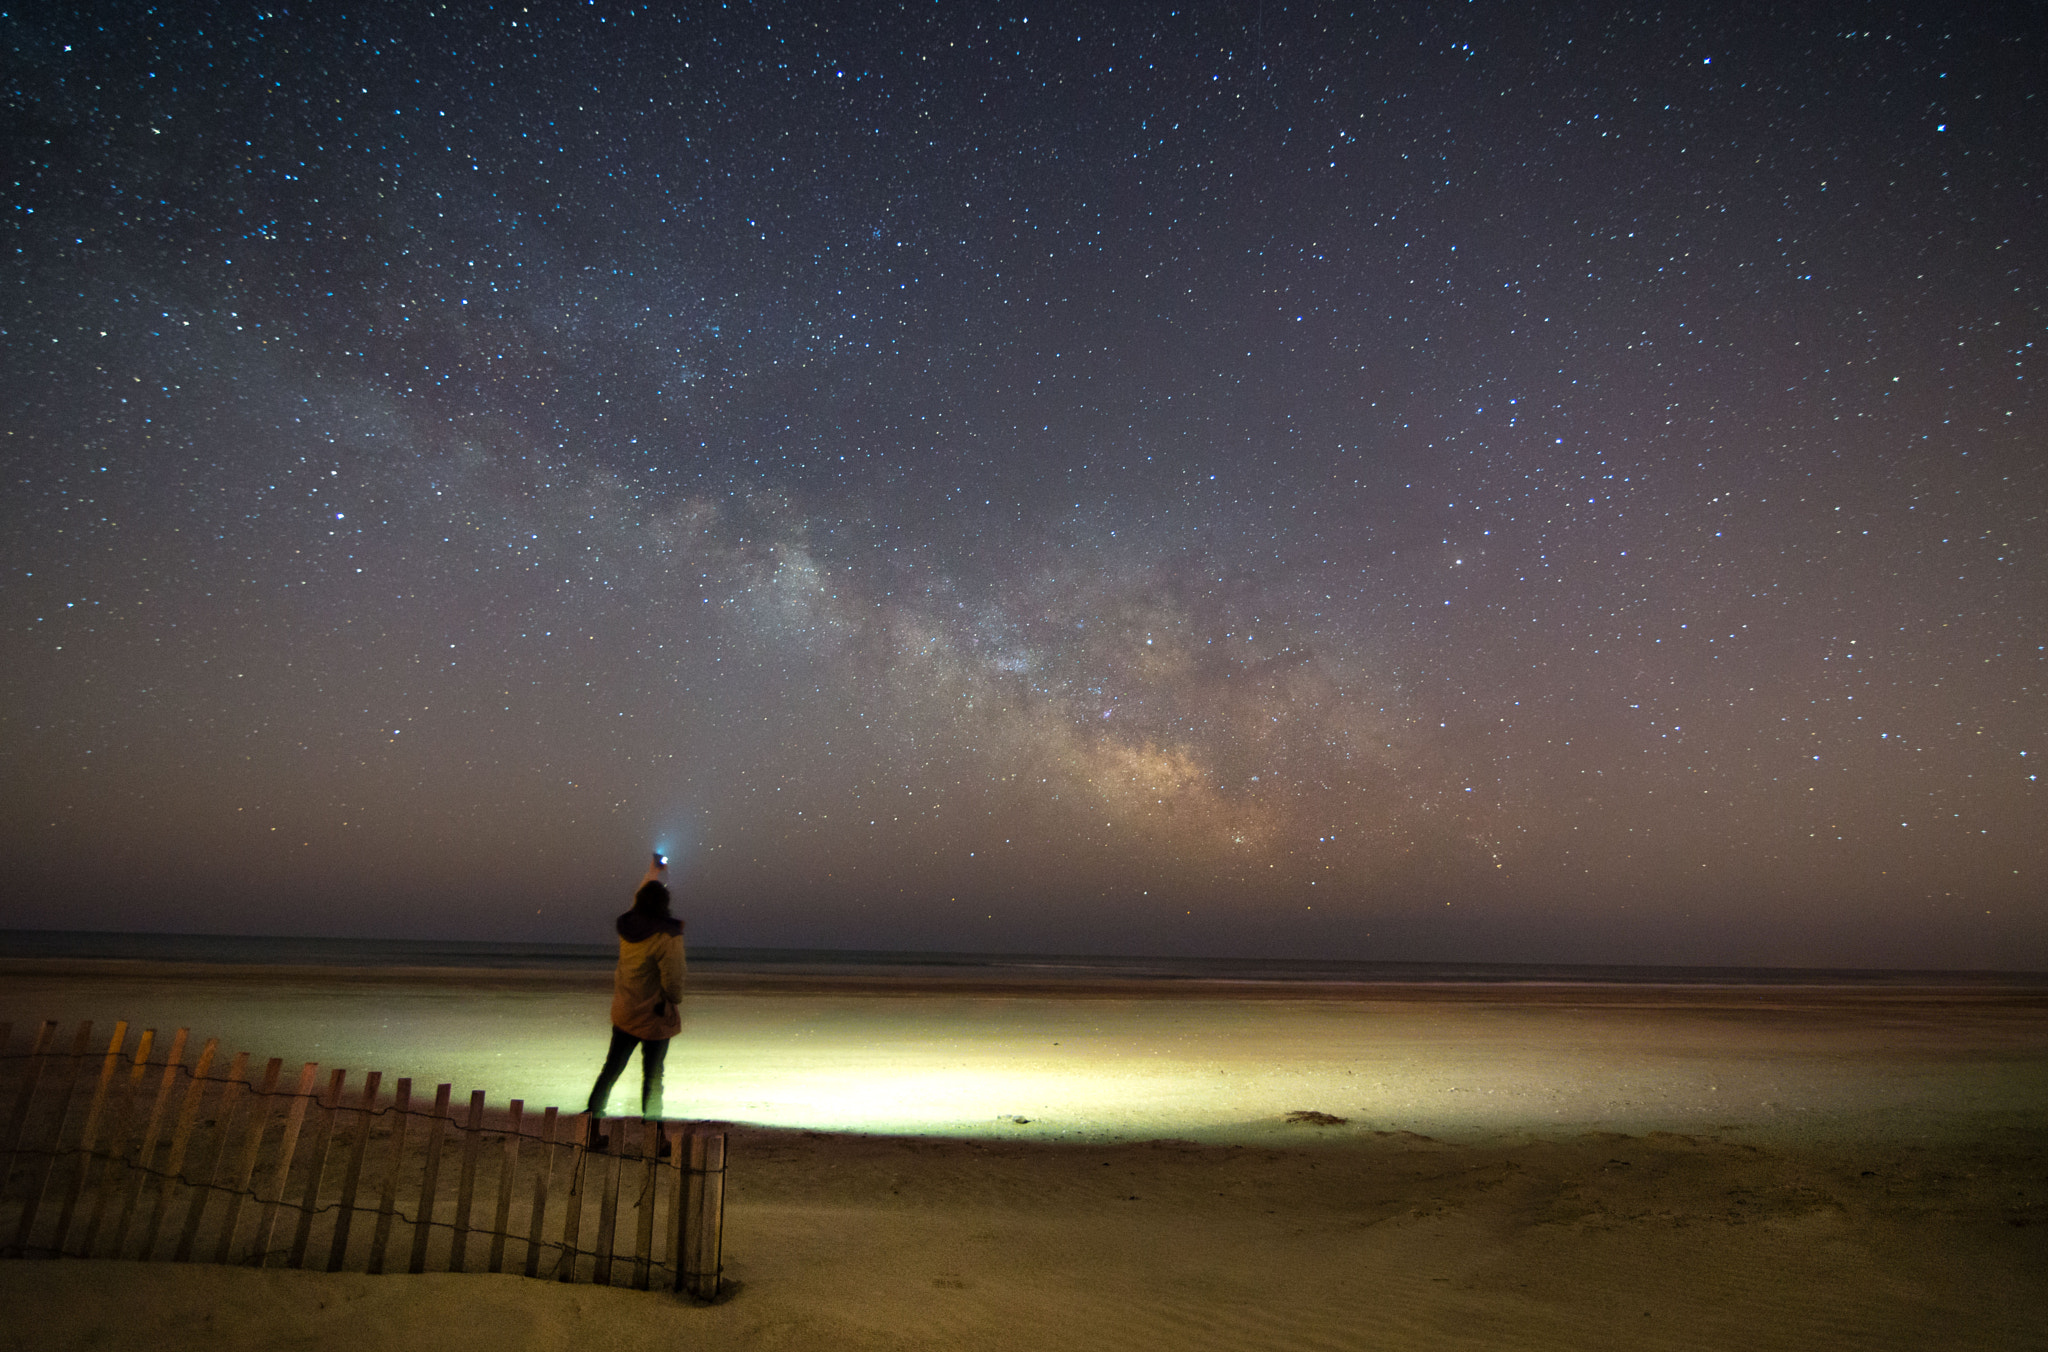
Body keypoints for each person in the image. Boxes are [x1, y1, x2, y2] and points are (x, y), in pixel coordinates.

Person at [584, 853, 685, 1149]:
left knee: (610, 1071)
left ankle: (589, 1129)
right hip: (653, 1018)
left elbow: (638, 898)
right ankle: (654, 1139)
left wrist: (652, 871)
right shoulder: (667, 936)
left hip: (625, 1012)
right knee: (653, 1078)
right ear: (664, 906)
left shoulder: (630, 927)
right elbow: (674, 984)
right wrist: (672, 1000)